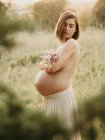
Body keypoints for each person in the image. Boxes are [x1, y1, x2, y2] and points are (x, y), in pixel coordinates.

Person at [35, 11, 81, 140]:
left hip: (61, 98)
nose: (67, 28)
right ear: (60, 25)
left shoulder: (72, 43)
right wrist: (46, 64)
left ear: (76, 28)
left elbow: (54, 67)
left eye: (71, 25)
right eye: (65, 24)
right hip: (52, 99)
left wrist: (46, 64)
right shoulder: (62, 45)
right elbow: (44, 64)